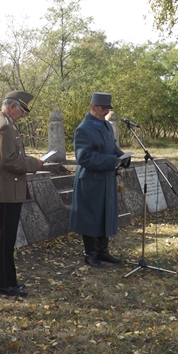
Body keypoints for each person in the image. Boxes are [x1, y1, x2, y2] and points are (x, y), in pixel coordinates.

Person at [0, 91, 44, 297]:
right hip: (6, 190)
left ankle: (8, 280)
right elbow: (8, 160)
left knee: (7, 239)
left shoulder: (4, 123)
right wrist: (33, 164)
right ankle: (3, 284)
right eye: (21, 111)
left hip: (8, 189)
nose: (22, 115)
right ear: (12, 107)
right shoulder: (3, 126)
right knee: (4, 240)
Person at [69, 92, 131, 268]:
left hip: (106, 178)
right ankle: (90, 253)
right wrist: (112, 161)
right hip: (90, 181)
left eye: (107, 109)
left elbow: (112, 147)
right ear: (93, 107)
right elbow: (84, 157)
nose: (106, 112)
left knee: (106, 214)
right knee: (90, 217)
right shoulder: (83, 128)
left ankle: (103, 250)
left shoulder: (106, 126)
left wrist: (123, 157)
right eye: (103, 108)